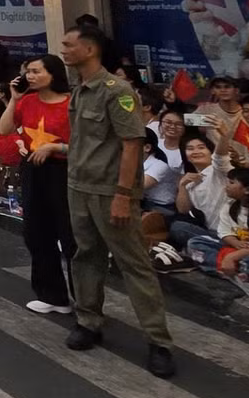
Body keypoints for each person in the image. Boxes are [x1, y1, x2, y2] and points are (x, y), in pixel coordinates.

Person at [58, 24, 175, 378]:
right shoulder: (79, 90)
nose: (63, 49)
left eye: (69, 44)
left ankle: (159, 341)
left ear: (90, 49)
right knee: (85, 256)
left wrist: (124, 195)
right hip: (79, 187)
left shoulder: (118, 91)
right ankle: (88, 321)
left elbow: (131, 144)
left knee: (133, 264)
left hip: (111, 191)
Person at [0, 54, 75, 315]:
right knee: (37, 232)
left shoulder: (71, 104)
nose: (29, 76)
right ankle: (53, 294)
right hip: (33, 168)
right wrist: (14, 99)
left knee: (70, 234)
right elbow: (4, 129)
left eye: (36, 71)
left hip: (64, 170)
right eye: (27, 72)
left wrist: (56, 147)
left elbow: (87, 144)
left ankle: (85, 299)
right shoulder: (27, 101)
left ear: (53, 74)